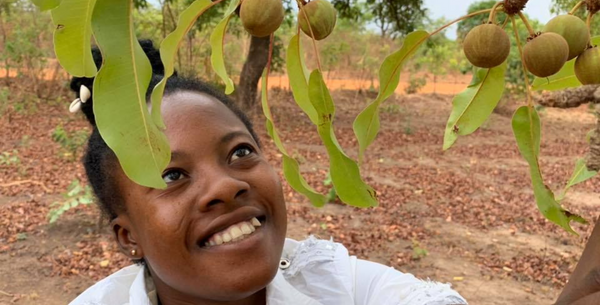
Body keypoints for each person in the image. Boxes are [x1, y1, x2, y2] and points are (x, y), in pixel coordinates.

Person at [68, 42, 468, 305]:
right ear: (128, 237)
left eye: (240, 152)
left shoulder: (331, 281)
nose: (227, 185)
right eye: (172, 176)